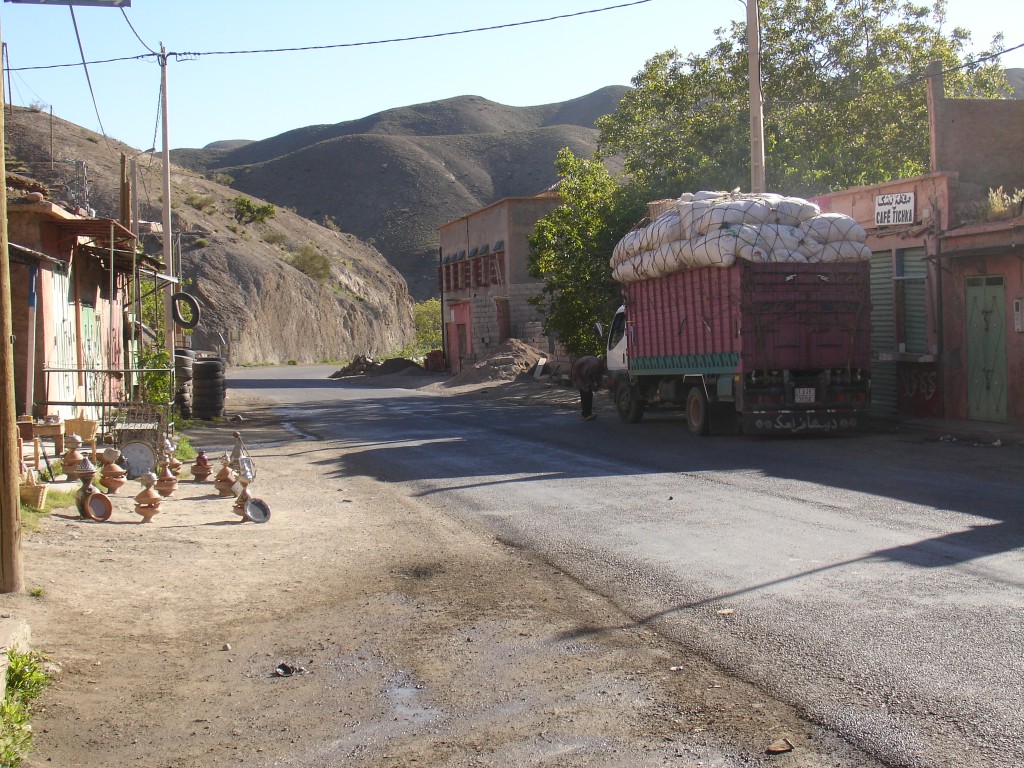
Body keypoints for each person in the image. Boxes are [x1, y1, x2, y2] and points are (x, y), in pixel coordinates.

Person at [570, 355, 605, 421]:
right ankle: (586, 414)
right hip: (578, 374)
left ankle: (586, 414)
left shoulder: (599, 365)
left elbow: (597, 376)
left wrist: (599, 385)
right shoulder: (594, 364)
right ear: (604, 362)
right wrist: (592, 385)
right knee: (586, 393)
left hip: (581, 374)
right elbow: (586, 375)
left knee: (587, 393)